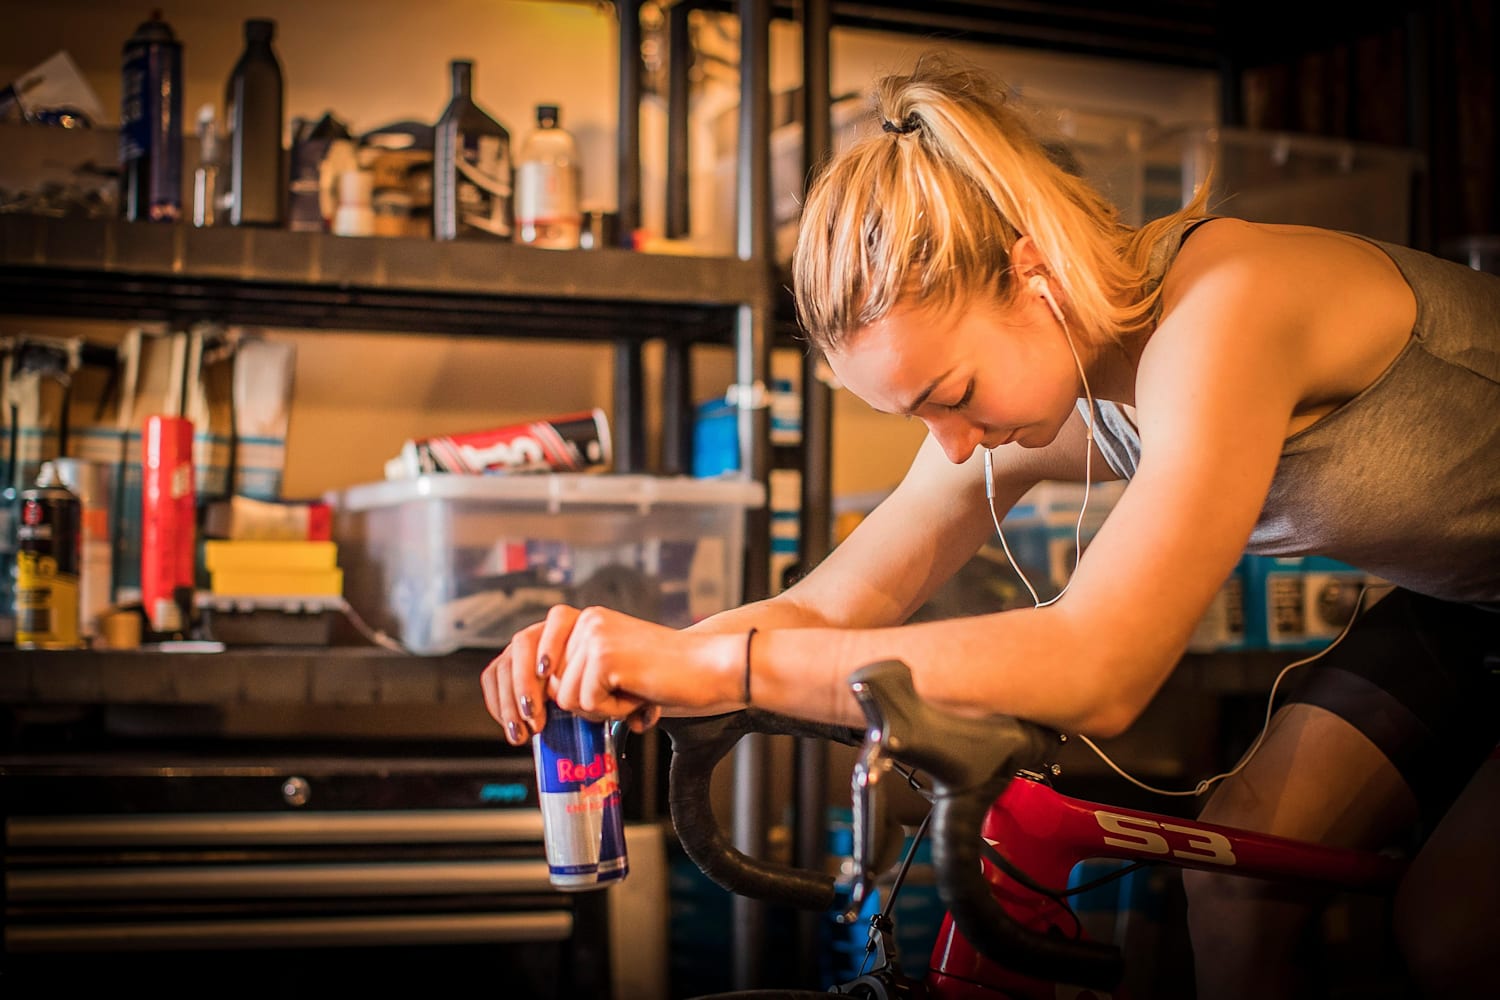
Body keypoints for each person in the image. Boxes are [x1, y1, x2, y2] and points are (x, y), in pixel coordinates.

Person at [482, 54, 1499, 997]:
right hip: (1465, 599)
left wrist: (727, 672)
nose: (956, 449)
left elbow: (1102, 664)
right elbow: (827, 604)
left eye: (953, 393)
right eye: (920, 415)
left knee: (1451, 929)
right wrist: (624, 653)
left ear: (1033, 272)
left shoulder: (1225, 311)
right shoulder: (1053, 369)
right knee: (1236, 872)